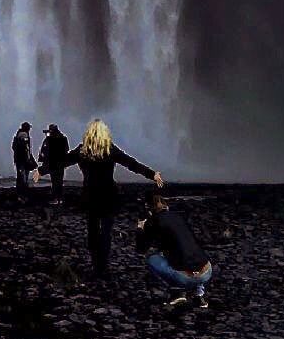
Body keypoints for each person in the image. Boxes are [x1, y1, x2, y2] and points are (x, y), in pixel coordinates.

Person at [65, 119, 161, 279]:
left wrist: (41, 170)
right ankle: (103, 267)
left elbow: (62, 161)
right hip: (109, 195)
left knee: (93, 231)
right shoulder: (110, 150)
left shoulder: (82, 151)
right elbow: (131, 164)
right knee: (106, 232)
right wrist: (152, 174)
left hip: (90, 196)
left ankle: (97, 266)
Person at [136, 192, 215, 311]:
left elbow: (141, 249)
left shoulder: (153, 221)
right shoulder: (178, 217)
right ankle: (199, 294)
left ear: (150, 210)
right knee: (190, 253)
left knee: (151, 259)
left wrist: (140, 229)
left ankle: (177, 292)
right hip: (207, 271)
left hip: (184, 277)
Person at [39, 123, 71, 203]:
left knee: (54, 181)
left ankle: (55, 198)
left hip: (53, 163)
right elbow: (66, 150)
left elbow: (45, 150)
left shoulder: (49, 139)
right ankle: (60, 198)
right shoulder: (63, 138)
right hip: (61, 163)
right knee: (59, 181)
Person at [12, 122, 36, 197]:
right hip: (23, 159)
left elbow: (15, 148)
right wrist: (28, 158)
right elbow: (26, 148)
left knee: (21, 175)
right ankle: (22, 192)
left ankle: (20, 191)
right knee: (23, 176)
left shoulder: (18, 134)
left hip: (19, 159)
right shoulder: (24, 135)